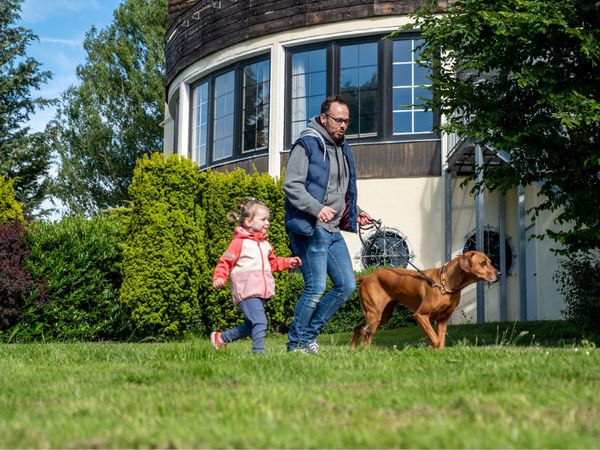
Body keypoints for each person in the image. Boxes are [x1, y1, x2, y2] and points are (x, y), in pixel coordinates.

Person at [284, 95, 372, 353]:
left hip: (332, 229)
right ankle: (295, 344)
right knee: (316, 287)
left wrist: (356, 211)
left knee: (346, 284)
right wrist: (316, 208)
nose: (343, 125)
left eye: (346, 121)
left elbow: (337, 190)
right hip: (311, 227)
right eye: (338, 120)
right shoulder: (308, 144)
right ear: (324, 118)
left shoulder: (342, 148)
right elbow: (292, 185)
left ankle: (307, 337)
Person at [211, 198, 302, 354]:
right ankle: (258, 354)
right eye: (263, 219)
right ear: (248, 221)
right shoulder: (239, 243)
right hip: (246, 290)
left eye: (268, 219)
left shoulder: (265, 244)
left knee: (251, 325)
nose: (267, 223)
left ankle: (221, 338)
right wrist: (219, 276)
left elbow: (273, 264)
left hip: (260, 292)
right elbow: (225, 261)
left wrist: (288, 262)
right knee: (260, 321)